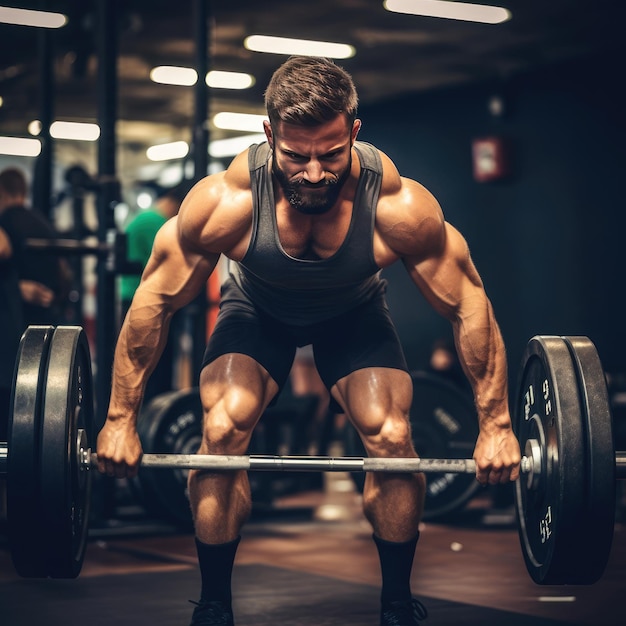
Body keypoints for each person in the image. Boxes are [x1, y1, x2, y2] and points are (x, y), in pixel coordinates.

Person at [96, 56, 521, 626]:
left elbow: (468, 301)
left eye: (331, 153)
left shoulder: (399, 207)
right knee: (221, 429)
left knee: (393, 437)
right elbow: (154, 301)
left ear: (354, 130)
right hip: (257, 312)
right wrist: (120, 419)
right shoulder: (226, 203)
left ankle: (397, 603)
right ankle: (215, 604)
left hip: (354, 315)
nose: (315, 173)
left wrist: (496, 427)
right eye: (296, 156)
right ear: (270, 135)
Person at [118, 183, 188, 402]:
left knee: (144, 368)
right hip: (146, 300)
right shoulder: (156, 222)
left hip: (135, 297)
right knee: (154, 371)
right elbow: (171, 265)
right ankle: (150, 424)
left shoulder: (146, 218)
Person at [0, 167, 72, 327]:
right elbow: (63, 270)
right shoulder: (43, 224)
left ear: (2, 192)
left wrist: (14, 290)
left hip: (14, 322)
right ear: (24, 192)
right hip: (46, 318)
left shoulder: (3, 224)